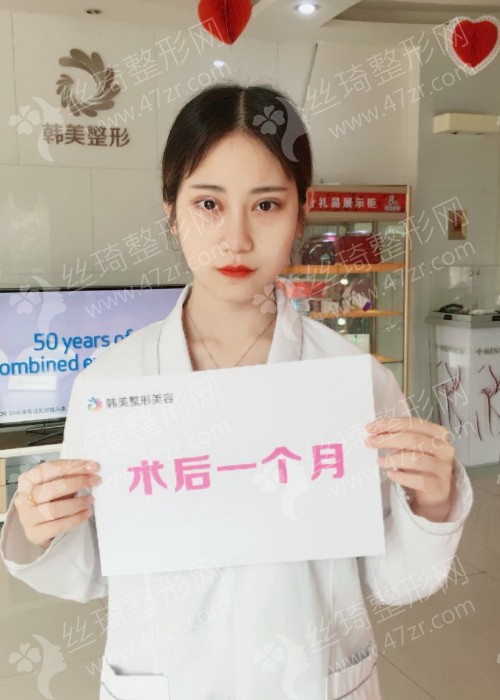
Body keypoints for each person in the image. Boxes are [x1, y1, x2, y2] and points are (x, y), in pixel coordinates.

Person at [0, 83, 473, 700]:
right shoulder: (112, 387)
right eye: (208, 203)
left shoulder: (354, 382)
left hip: (316, 680)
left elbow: (395, 579)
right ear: (171, 210)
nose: (237, 238)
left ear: (302, 212)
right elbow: (87, 568)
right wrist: (35, 526)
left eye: (267, 204)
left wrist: (432, 503)